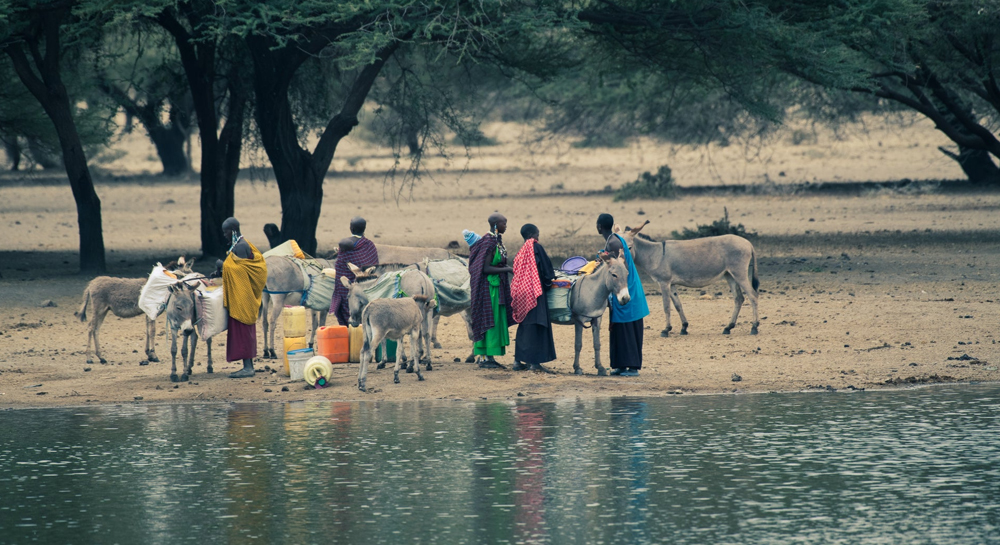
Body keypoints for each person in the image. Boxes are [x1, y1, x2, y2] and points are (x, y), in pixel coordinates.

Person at [597, 213, 649, 376]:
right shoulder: (613, 239)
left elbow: (618, 266)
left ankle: (632, 367)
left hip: (625, 288)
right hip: (624, 286)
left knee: (628, 326)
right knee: (619, 327)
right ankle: (620, 365)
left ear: (599, 226)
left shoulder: (612, 242)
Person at [220, 217, 268, 378]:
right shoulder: (239, 244)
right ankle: (247, 366)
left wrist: (222, 265)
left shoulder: (241, 247)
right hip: (241, 296)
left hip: (243, 298)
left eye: (225, 232)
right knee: (242, 332)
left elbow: (239, 273)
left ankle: (248, 368)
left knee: (243, 332)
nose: (224, 235)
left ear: (232, 231)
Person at [469, 213, 514, 369]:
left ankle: (489, 356)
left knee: (496, 319)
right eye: (504, 223)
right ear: (496, 225)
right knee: (491, 320)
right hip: (490, 289)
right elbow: (485, 268)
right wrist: (507, 269)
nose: (506, 226)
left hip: (497, 287)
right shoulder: (488, 242)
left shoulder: (496, 240)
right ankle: (488, 357)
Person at [510, 224, 557, 373]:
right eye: (537, 234)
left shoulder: (521, 252)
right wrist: (549, 282)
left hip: (521, 292)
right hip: (534, 291)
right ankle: (535, 363)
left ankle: (518, 361)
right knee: (537, 324)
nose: (538, 237)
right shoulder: (536, 247)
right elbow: (546, 270)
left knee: (524, 325)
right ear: (532, 234)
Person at [330, 217, 379, 326]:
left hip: (349, 290)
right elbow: (375, 265)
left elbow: (341, 267)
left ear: (351, 228)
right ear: (364, 228)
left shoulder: (346, 247)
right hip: (367, 290)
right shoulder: (370, 245)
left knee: (347, 309)